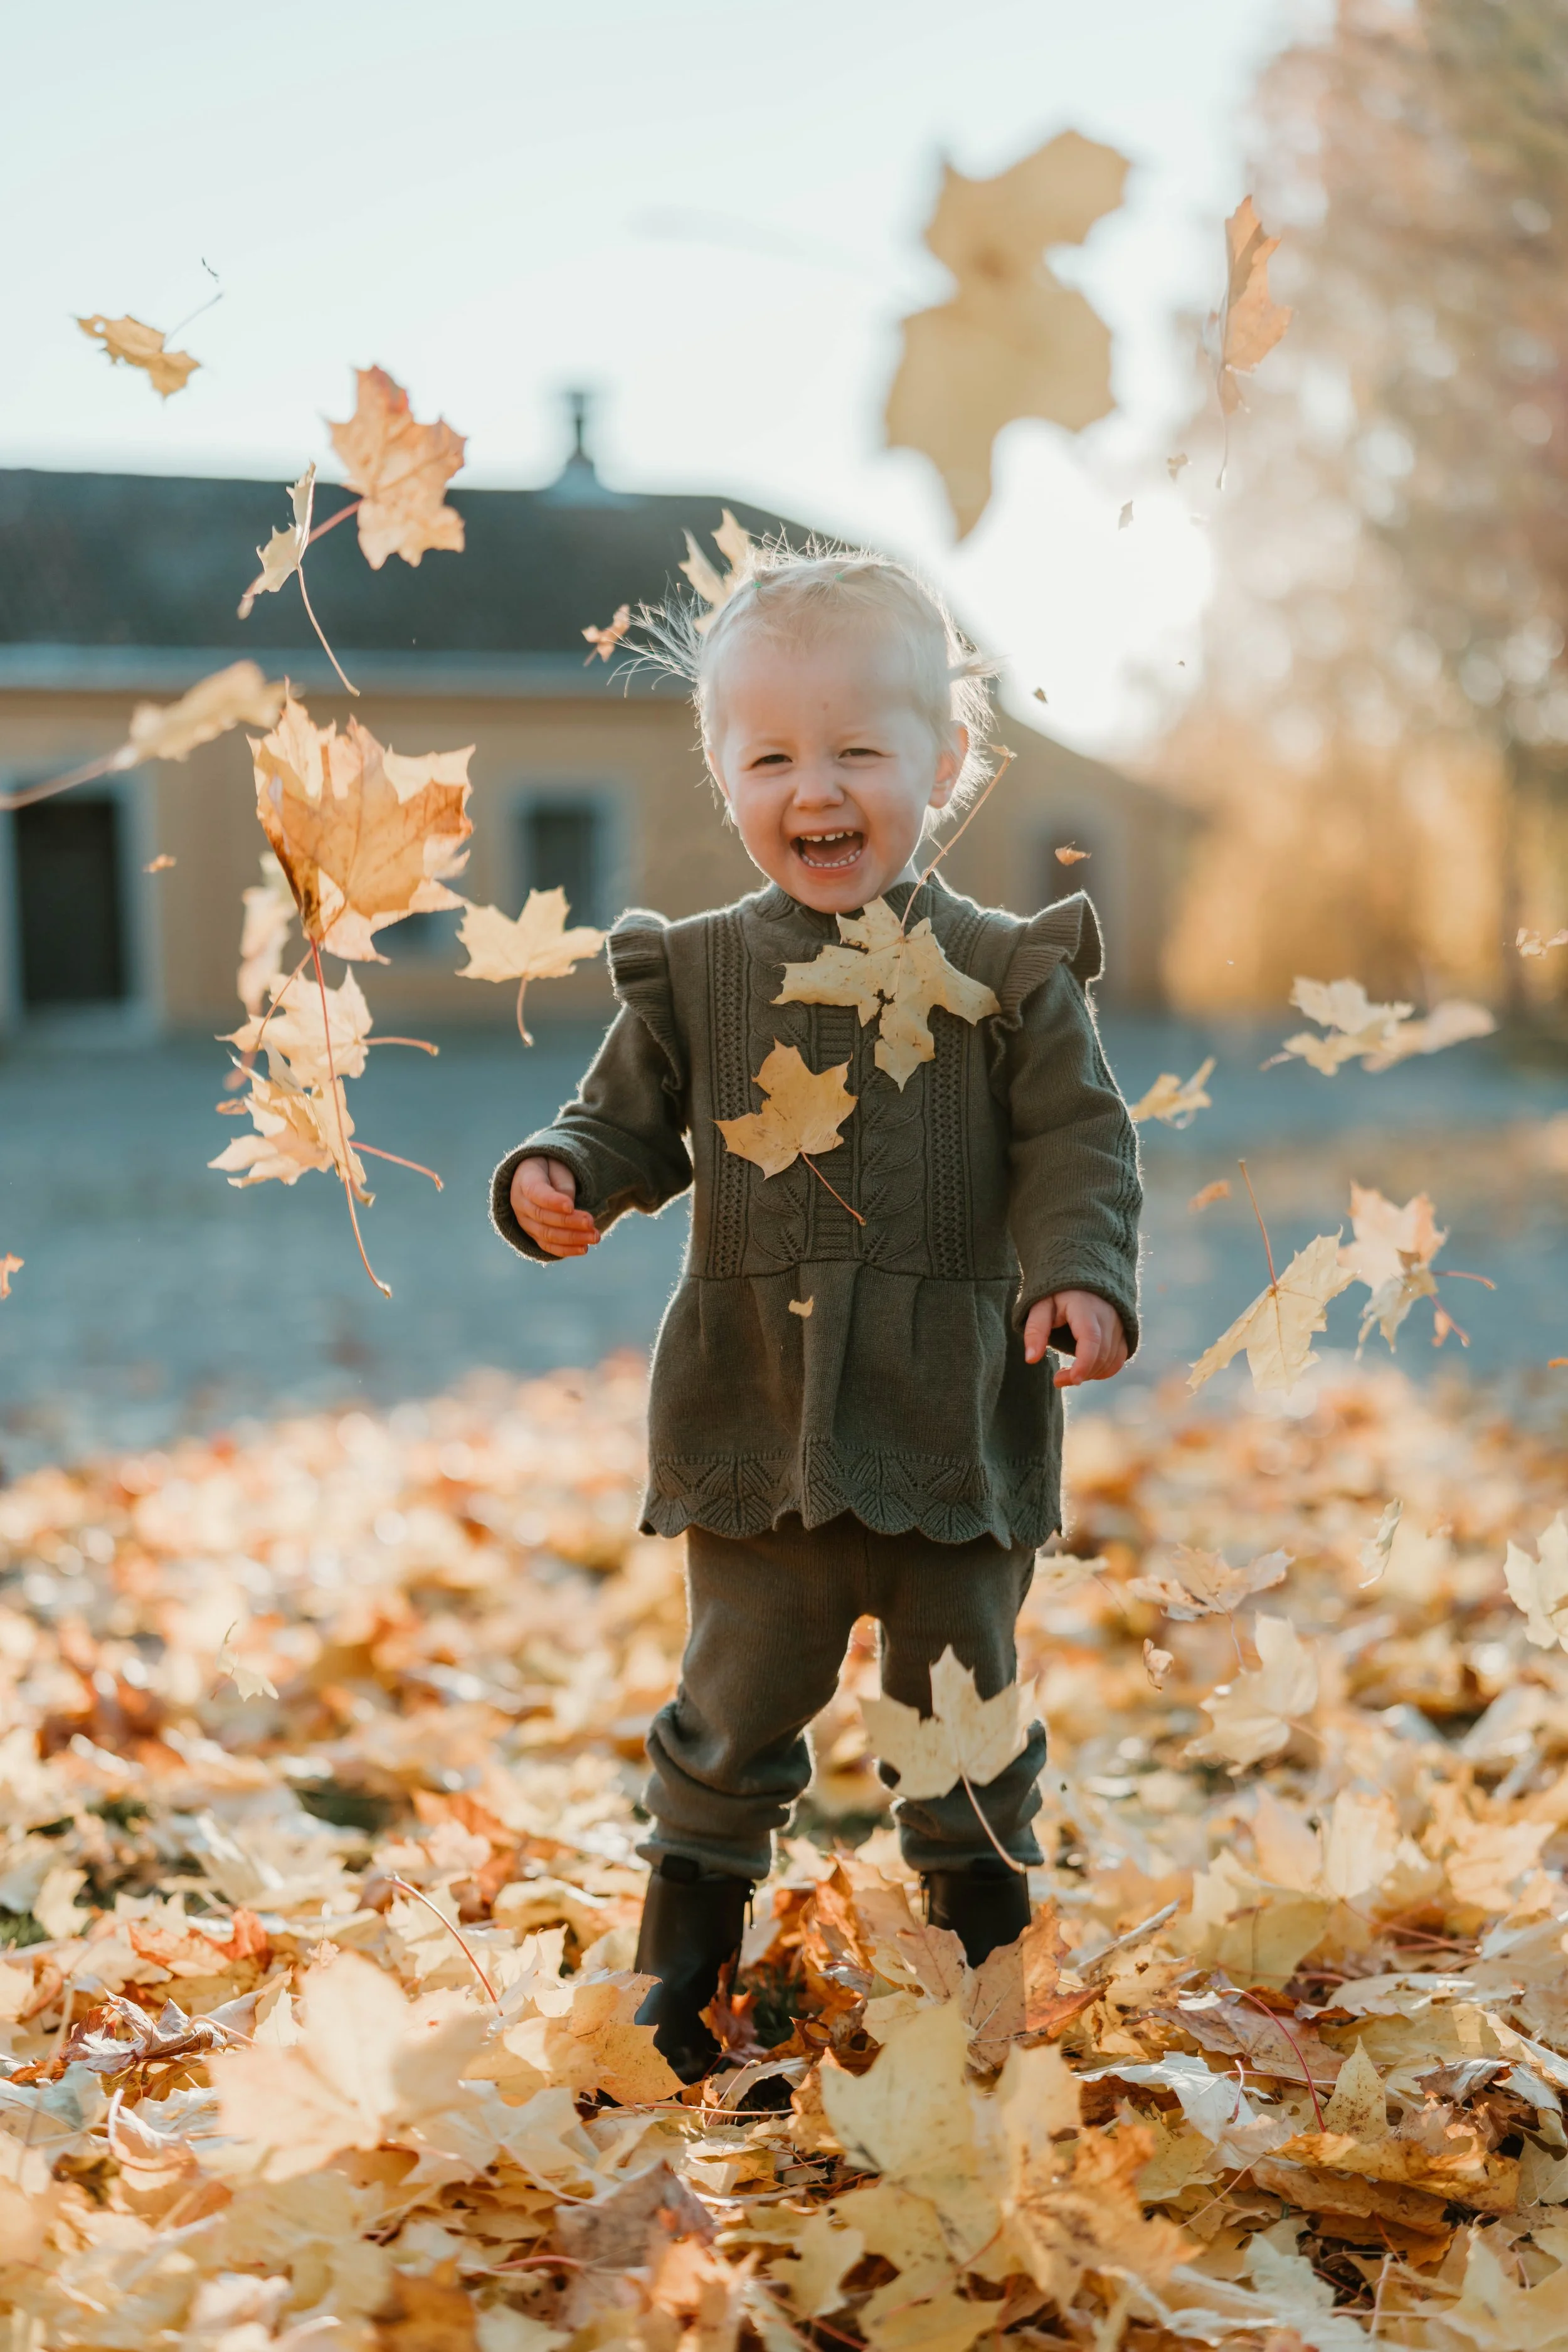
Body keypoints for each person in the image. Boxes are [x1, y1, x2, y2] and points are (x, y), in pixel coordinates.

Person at [490, 544, 1141, 2083]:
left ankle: (980, 1966)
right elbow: (618, 1125)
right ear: (721, 772)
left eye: (857, 749)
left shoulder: (1004, 973)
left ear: (946, 760)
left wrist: (1078, 1270)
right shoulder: (696, 976)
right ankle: (681, 1977)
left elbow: (1076, 1142)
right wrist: (556, 1175)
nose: (815, 788)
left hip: (949, 1429)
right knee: (729, 1710)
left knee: (961, 1721)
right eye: (771, 756)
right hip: (754, 1428)